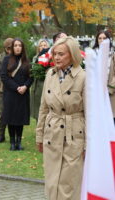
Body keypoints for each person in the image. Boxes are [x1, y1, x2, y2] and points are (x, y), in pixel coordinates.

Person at [36, 36, 85, 200]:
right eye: (55, 54)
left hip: (74, 136)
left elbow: (89, 115)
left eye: (61, 54)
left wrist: (87, 143)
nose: (56, 57)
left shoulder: (83, 77)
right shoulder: (50, 74)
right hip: (52, 133)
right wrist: (39, 134)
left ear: (72, 54)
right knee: (51, 184)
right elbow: (43, 107)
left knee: (68, 186)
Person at [1, 38, 33, 151]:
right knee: (11, 118)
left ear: (22, 47)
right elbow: (4, 76)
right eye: (15, 45)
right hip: (10, 93)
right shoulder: (6, 59)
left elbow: (31, 77)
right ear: (12, 47)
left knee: (20, 119)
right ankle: (12, 142)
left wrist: (25, 86)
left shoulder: (27, 61)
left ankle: (19, 142)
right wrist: (16, 87)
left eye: (20, 45)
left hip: (23, 94)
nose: (18, 47)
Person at [0, 37, 13, 143]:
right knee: (1, 113)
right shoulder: (0, 58)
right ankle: (1, 135)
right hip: (1, 89)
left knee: (13, 113)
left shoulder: (19, 57)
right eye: (8, 48)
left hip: (15, 88)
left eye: (11, 47)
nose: (10, 50)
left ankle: (13, 136)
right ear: (5, 48)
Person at [31, 39, 50, 121]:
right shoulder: (35, 58)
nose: (42, 47)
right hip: (36, 85)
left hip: (45, 85)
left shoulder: (50, 57)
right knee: (37, 109)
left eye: (44, 45)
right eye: (41, 45)